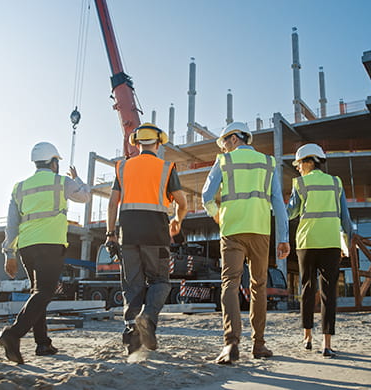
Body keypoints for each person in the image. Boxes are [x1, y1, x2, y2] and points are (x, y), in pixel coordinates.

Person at [202, 122, 290, 364]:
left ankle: (231, 345)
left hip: (232, 230)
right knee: (258, 286)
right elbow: (278, 203)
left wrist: (217, 214)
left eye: (224, 143)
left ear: (232, 139)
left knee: (229, 284)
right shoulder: (268, 162)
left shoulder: (224, 161)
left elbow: (206, 196)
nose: (224, 149)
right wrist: (283, 238)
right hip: (261, 231)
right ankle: (259, 345)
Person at [0, 141, 92, 364]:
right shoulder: (62, 182)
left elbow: (11, 224)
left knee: (37, 293)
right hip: (50, 245)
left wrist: (8, 253)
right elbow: (85, 197)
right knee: (44, 293)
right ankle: (12, 334)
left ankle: (43, 344)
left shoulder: (19, 187)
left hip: (27, 247)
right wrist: (77, 179)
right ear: (53, 162)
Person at [105, 122, 187, 355]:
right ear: (159, 143)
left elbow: (112, 203)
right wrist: (178, 221)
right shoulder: (166, 168)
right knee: (160, 281)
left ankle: (132, 339)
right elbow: (182, 203)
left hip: (128, 235)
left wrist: (111, 233)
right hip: (156, 234)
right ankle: (148, 318)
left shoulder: (122, 167)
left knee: (133, 286)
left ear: (137, 143)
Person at [286, 143, 353, 358]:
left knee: (306, 288)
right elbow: (346, 219)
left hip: (306, 243)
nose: (297, 168)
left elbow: (290, 213)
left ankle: (307, 338)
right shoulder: (336, 183)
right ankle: (327, 344)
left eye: (299, 164)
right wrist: (346, 244)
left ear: (308, 161)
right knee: (328, 293)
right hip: (331, 242)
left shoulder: (300, 184)